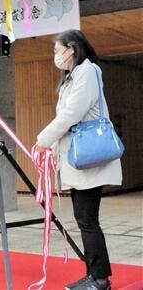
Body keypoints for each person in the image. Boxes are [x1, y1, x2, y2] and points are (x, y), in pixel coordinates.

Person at [35, 30, 122, 290]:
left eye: (56, 50)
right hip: (79, 161)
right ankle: (94, 274)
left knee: (87, 220)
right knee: (85, 219)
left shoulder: (87, 71)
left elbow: (72, 113)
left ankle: (99, 279)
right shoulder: (74, 76)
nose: (56, 56)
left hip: (88, 160)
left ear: (70, 49)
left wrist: (43, 139)